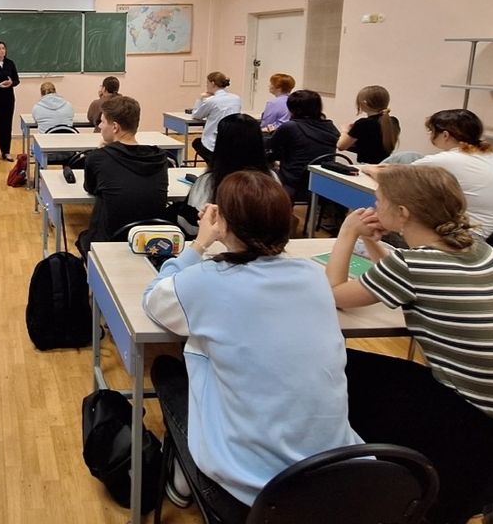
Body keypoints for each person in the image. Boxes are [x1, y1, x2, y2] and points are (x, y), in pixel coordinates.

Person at [143, 171, 362, 520]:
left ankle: (183, 476)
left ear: (224, 223)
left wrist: (199, 244)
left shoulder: (206, 281)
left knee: (168, 372)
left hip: (250, 492)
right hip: (336, 477)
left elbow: (154, 299)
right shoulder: (311, 276)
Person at [326, 164, 493, 523]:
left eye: (379, 201)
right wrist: (371, 241)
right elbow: (404, 276)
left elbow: (333, 294)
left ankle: (359, 478)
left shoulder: (413, 266)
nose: (374, 207)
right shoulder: (480, 250)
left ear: (403, 213)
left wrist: (347, 233)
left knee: (340, 366)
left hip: (472, 414)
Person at [364, 108, 493, 240]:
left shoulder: (448, 159)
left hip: (469, 237)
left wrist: (368, 169)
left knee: (374, 226)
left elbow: (393, 179)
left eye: (432, 131)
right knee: (409, 157)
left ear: (445, 135)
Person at [76, 95, 168, 257]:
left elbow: (90, 187)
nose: (99, 126)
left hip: (109, 243)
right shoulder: (159, 158)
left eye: (102, 122)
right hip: (150, 242)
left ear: (115, 127)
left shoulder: (98, 158)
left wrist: (104, 150)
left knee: (84, 235)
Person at [176, 113, 271, 237]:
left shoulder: (209, 181)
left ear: (221, 144)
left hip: (213, 244)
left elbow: (190, 226)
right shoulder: (272, 179)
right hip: (263, 244)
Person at [267, 89, 339, 201]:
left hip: (294, 183)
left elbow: (272, 149)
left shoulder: (291, 127)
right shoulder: (330, 127)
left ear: (292, 108)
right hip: (322, 182)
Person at [336, 84, 399, 163]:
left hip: (366, 166)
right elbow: (372, 144)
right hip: (386, 165)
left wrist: (345, 131)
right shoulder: (393, 121)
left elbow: (341, 146)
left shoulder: (363, 124)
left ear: (364, 103)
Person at [190, 72, 242, 165]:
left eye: (207, 83)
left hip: (212, 145)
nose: (206, 86)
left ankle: (213, 165)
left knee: (196, 143)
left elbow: (196, 115)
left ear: (212, 83)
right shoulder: (236, 99)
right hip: (231, 142)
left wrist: (200, 98)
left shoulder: (211, 101)